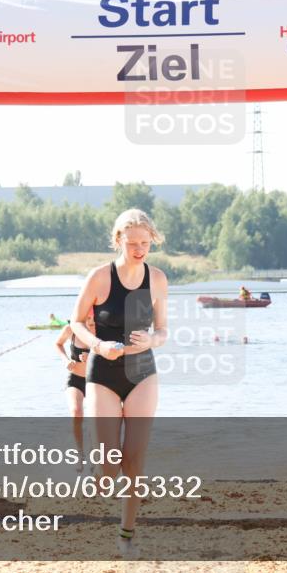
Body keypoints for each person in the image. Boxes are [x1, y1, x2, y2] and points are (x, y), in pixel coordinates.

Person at [70, 208, 168, 554]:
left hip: (142, 372)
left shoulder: (156, 279)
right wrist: (98, 344)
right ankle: (97, 475)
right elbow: (76, 321)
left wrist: (153, 341)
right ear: (118, 241)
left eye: (145, 243)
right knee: (110, 464)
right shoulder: (100, 277)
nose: (139, 249)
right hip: (104, 373)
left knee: (135, 458)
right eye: (133, 244)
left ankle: (126, 534)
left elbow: (163, 329)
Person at [55, 310, 96, 466]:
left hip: (96, 380)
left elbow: (114, 353)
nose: (90, 323)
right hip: (75, 379)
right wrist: (65, 360)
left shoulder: (102, 329)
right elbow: (57, 344)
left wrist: (92, 357)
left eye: (93, 319)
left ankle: (94, 454)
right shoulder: (71, 328)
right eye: (87, 319)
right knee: (76, 412)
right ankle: (80, 454)